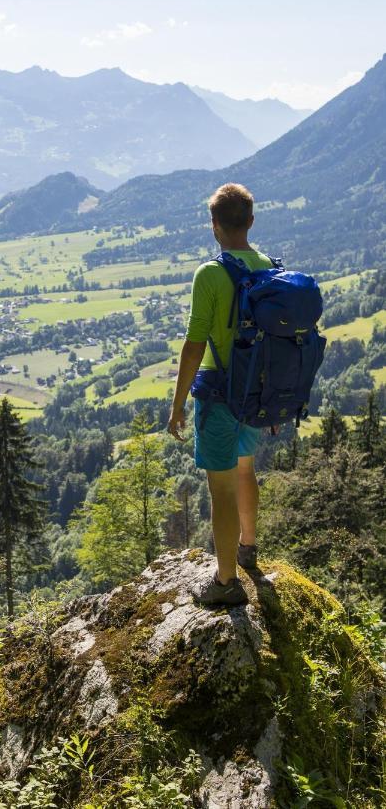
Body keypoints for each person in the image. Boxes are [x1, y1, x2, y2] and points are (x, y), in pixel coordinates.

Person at [167, 183, 274, 606]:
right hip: (255, 392)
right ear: (250, 221)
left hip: (218, 393)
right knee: (245, 471)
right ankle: (248, 550)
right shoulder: (267, 264)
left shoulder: (210, 274)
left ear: (214, 226)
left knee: (221, 488)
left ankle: (226, 582)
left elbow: (195, 345)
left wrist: (177, 404)